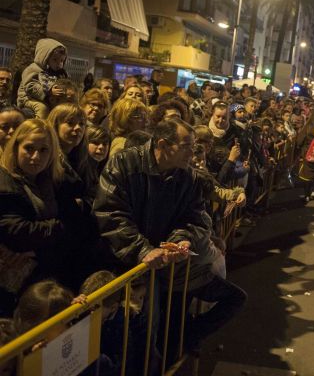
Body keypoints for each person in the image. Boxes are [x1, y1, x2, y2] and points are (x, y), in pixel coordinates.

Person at [94, 119, 245, 354]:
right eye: (186, 146)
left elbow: (193, 217)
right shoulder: (124, 163)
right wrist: (143, 249)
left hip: (167, 262)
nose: (193, 153)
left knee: (158, 328)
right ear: (163, 145)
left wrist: (182, 239)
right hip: (126, 262)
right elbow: (110, 213)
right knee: (140, 332)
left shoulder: (188, 176)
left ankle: (178, 347)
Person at [0, 119, 92, 302]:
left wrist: (40, 248)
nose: (35, 157)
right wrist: (61, 227)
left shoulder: (55, 180)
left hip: (52, 274)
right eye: (29, 148)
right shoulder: (5, 180)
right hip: (16, 287)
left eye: (44, 150)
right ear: (16, 147)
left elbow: (79, 226)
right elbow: (17, 232)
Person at [17, 38, 69, 119]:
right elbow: (30, 86)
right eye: (55, 60)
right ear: (44, 58)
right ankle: (39, 127)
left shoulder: (57, 73)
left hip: (47, 99)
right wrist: (49, 91)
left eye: (62, 60)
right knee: (42, 109)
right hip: (29, 98)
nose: (59, 64)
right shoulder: (33, 69)